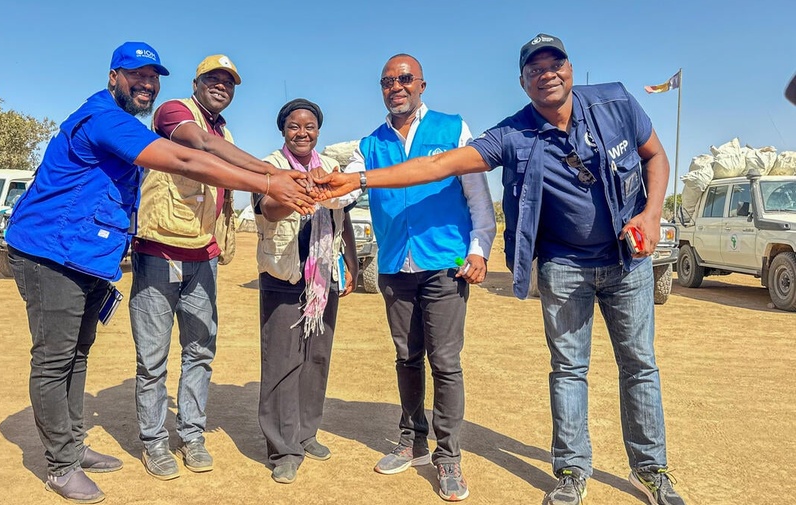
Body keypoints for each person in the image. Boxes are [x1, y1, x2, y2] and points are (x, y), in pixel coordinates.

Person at [317, 35, 687, 505]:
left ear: (570, 69)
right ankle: (572, 472)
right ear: (522, 81)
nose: (546, 73)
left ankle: (649, 470)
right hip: (562, 265)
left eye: (555, 64)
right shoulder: (511, 135)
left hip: (626, 261)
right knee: (568, 371)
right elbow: (436, 166)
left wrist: (651, 214)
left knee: (639, 366)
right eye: (535, 69)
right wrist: (357, 180)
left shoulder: (616, 102)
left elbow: (655, 155)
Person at [5, 42, 314, 504]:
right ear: (114, 76)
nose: (147, 83)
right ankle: (60, 464)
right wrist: (271, 181)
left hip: (87, 256)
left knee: (78, 356)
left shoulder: (131, 122)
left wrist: (270, 175)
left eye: (153, 76)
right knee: (55, 361)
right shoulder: (108, 119)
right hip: (50, 252)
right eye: (136, 74)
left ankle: (73, 444)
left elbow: (215, 154)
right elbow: (190, 157)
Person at [332, 54, 496, 502]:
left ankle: (448, 457)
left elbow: (478, 197)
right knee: (406, 357)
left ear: (422, 84)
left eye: (405, 79)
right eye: (388, 81)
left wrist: (480, 249)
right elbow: (341, 189)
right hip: (394, 267)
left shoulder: (452, 128)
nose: (396, 86)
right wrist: (309, 184)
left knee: (445, 362)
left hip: (445, 265)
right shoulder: (370, 144)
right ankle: (413, 440)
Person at [130, 54, 270, 481]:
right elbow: (204, 150)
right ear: (197, 81)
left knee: (200, 351)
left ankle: (191, 435)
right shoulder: (174, 112)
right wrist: (269, 174)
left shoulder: (222, 129)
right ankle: (154, 441)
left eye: (229, 82)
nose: (221, 86)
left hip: (202, 257)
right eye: (214, 78)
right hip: (159, 251)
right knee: (152, 358)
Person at [253, 98, 359, 484]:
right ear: (283, 130)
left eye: (309, 126)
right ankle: (283, 448)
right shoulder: (269, 166)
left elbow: (340, 213)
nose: (302, 132)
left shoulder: (329, 169)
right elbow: (267, 208)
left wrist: (350, 261)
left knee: (316, 359)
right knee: (283, 362)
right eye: (294, 126)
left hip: (323, 275)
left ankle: (306, 432)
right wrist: (296, 195)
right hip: (284, 274)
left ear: (318, 131)